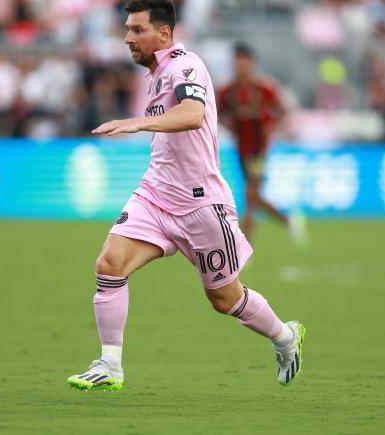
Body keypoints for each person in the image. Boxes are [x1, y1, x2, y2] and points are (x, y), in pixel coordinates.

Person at [66, 0, 306, 391]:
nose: (128, 38)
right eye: (127, 29)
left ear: (164, 34)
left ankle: (284, 337)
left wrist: (135, 124)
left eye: (137, 30)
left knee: (225, 299)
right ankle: (110, 364)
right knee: (110, 264)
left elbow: (193, 113)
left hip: (200, 204)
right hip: (156, 194)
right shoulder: (156, 73)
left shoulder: (185, 64)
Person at [216, 44, 305, 244]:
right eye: (238, 65)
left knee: (250, 193)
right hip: (241, 148)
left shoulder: (263, 88)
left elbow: (283, 110)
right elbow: (216, 111)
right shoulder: (228, 91)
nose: (241, 69)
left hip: (259, 148)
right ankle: (288, 220)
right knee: (253, 195)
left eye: (244, 65)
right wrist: (228, 125)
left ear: (252, 65)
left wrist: (271, 127)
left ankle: (244, 245)